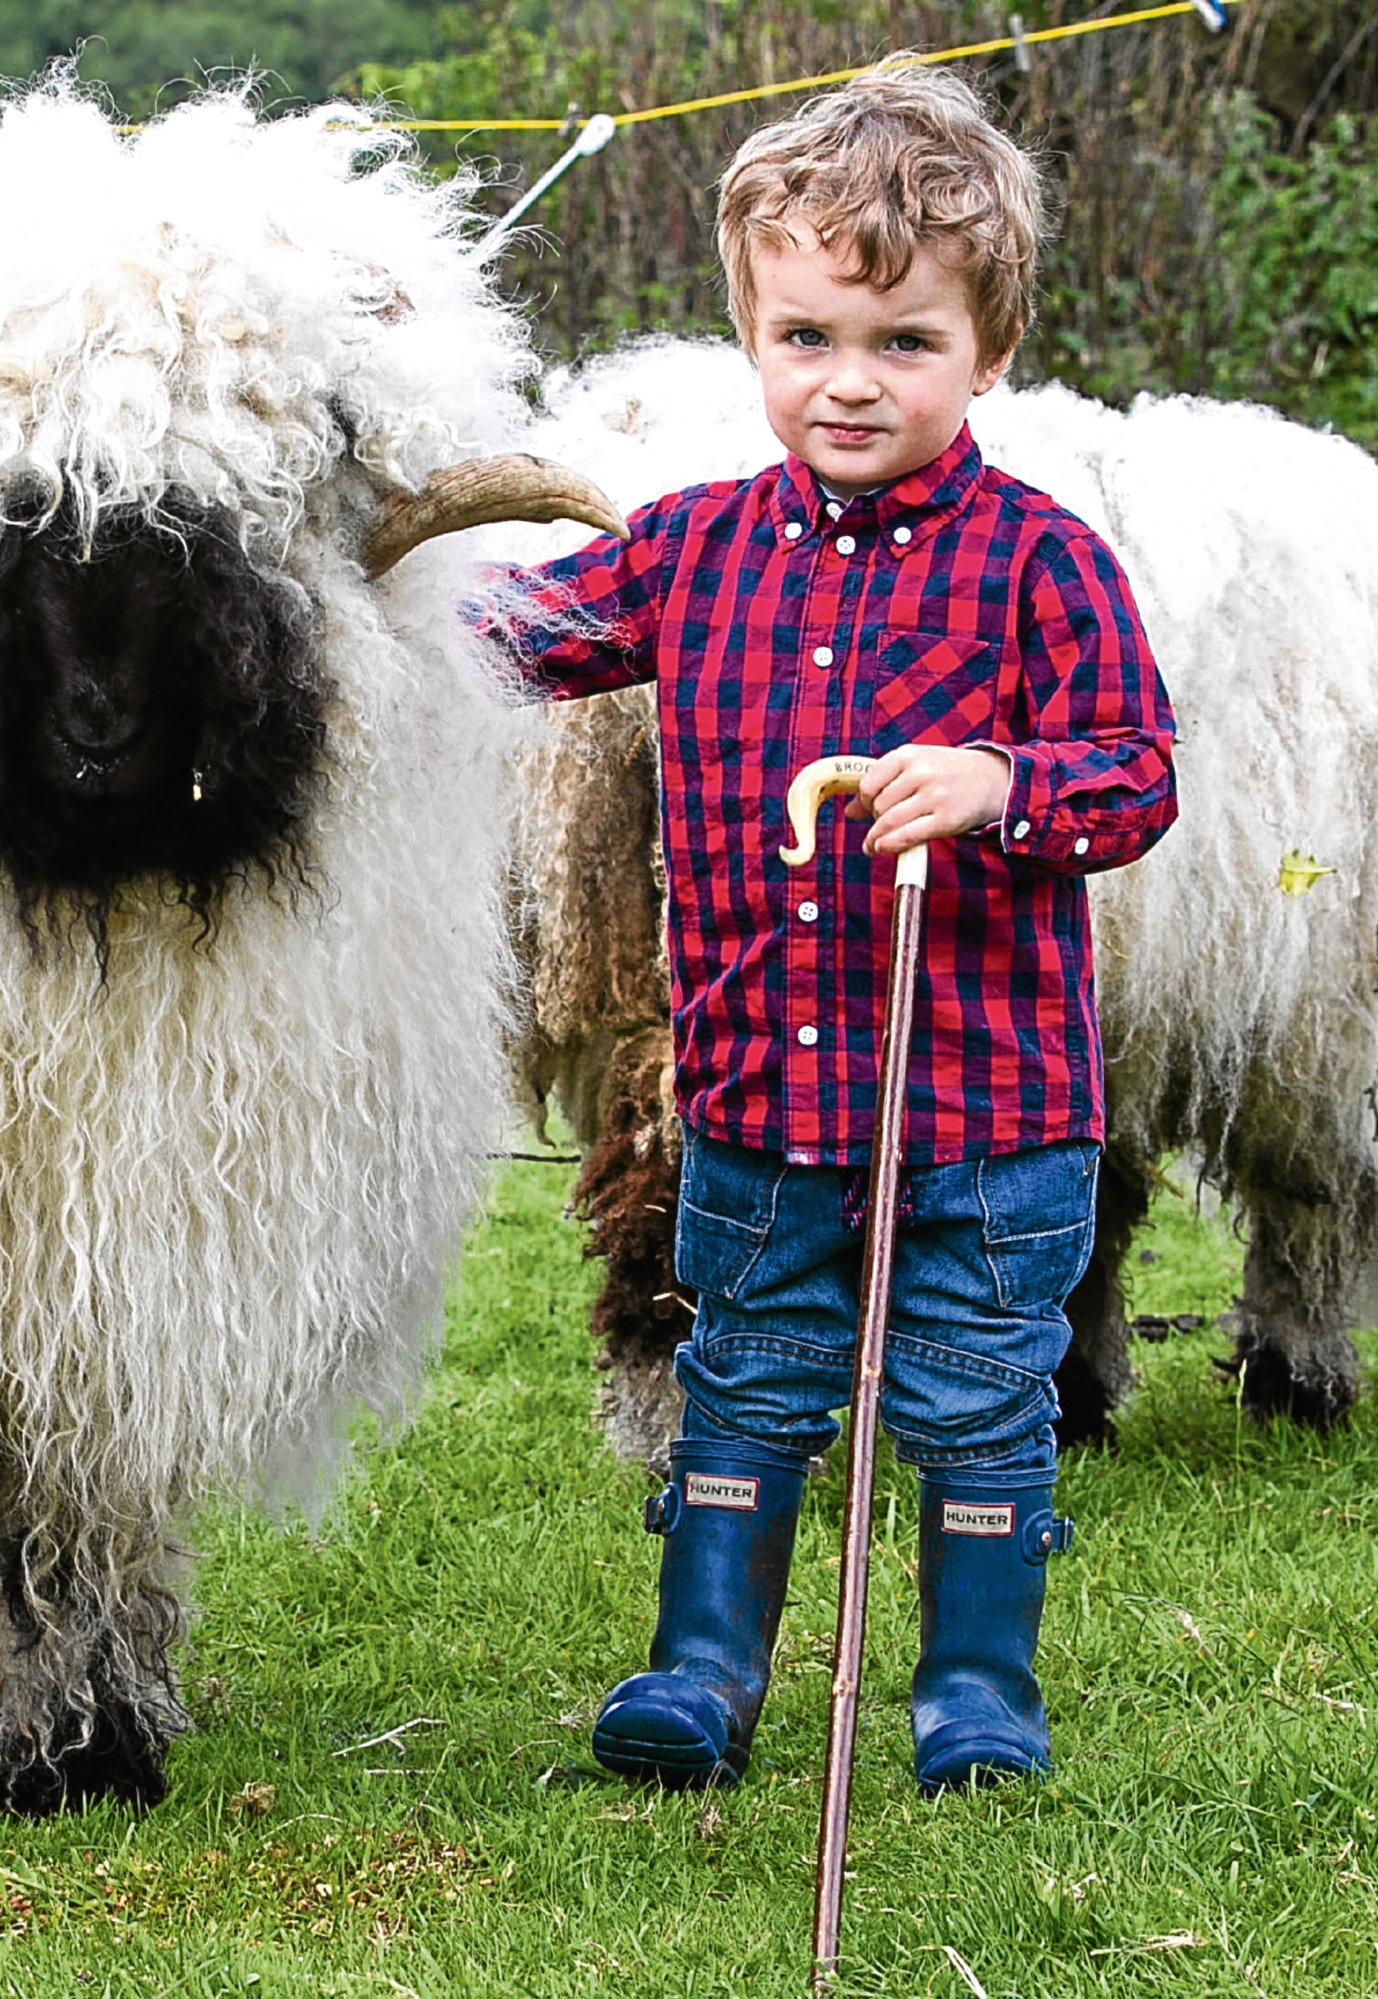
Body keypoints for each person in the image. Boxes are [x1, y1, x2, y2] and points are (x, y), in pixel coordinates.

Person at [487, 61, 1177, 1793]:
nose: (849, 383)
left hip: (987, 1112)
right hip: (758, 1096)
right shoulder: (690, 552)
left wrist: (1004, 787)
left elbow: (1138, 774)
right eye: (806, 338)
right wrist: (335, 582)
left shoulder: (1042, 560)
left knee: (971, 1395)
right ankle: (702, 1670)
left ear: (990, 351)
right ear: (751, 336)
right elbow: (499, 635)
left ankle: (973, 1689)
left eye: (905, 343)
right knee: (754, 1377)